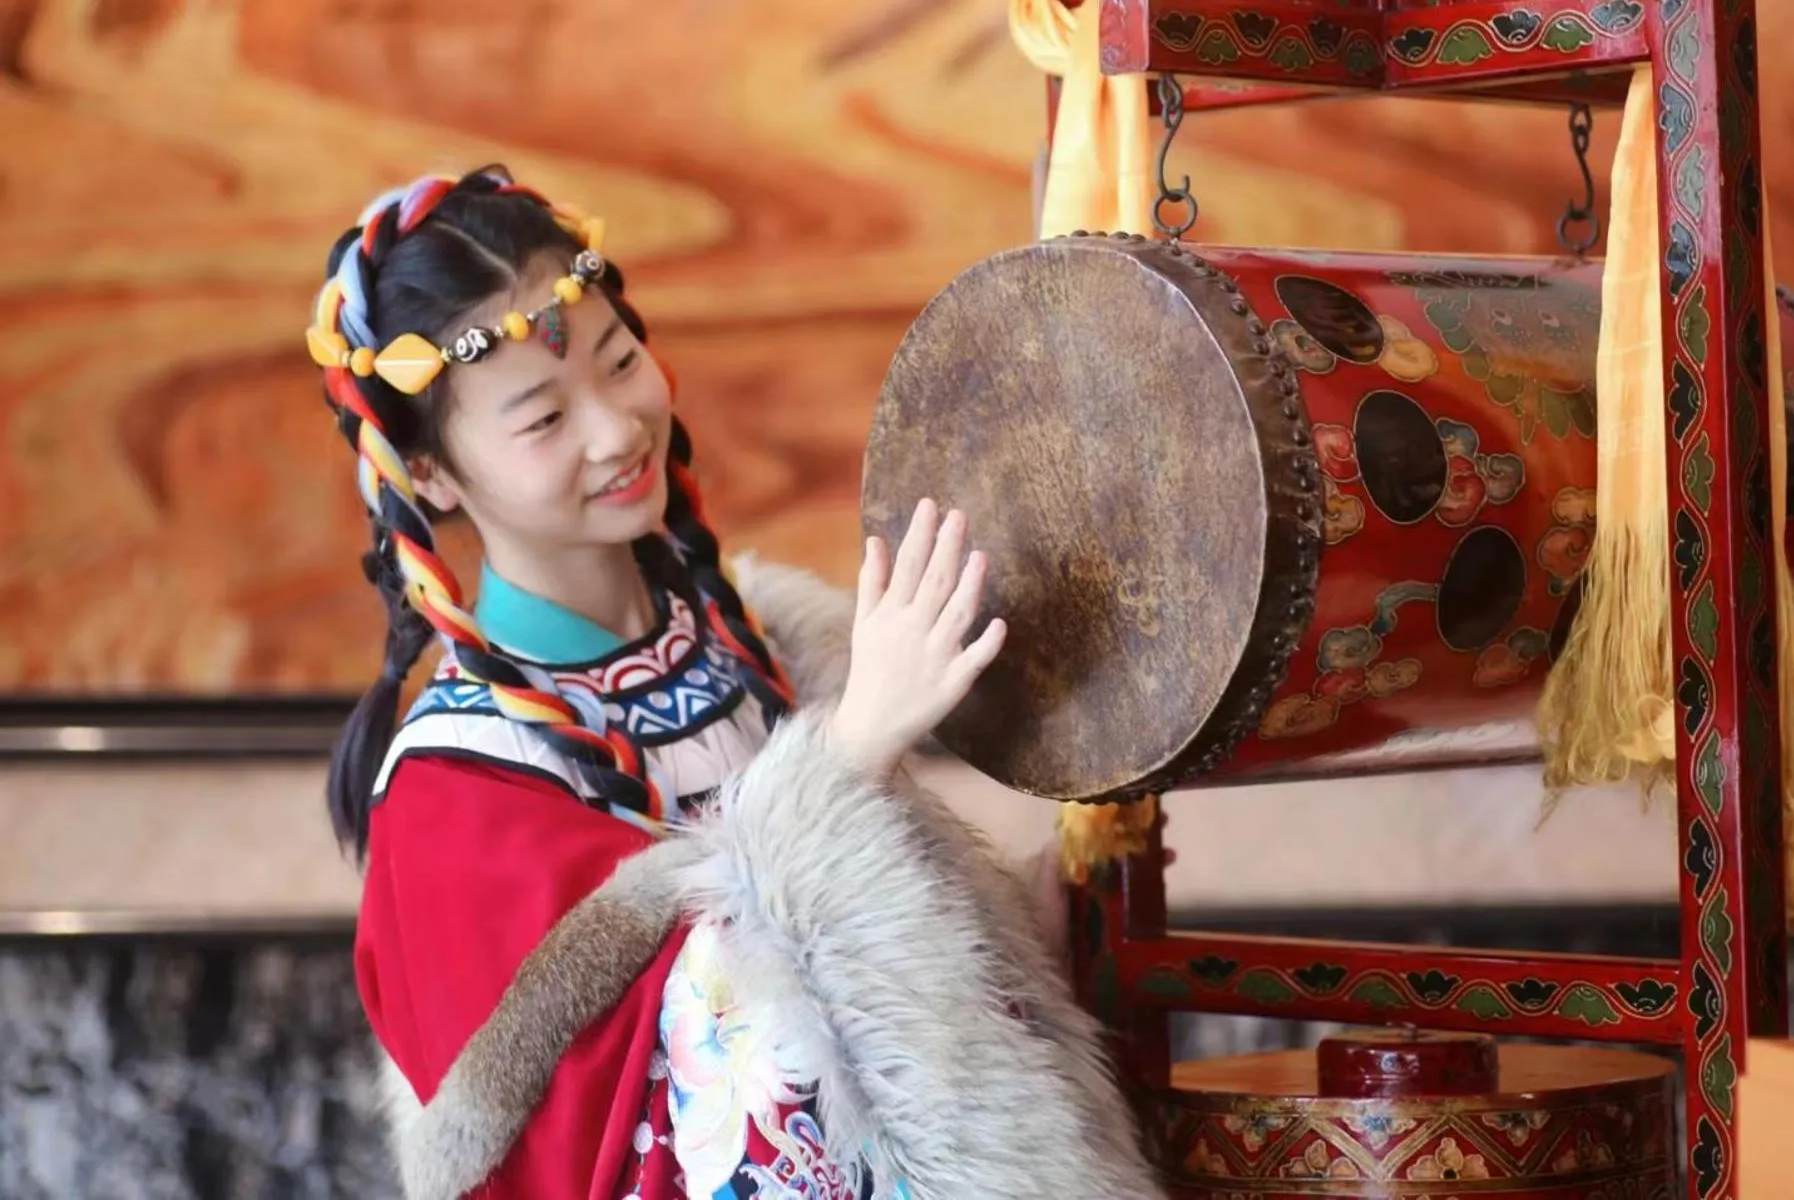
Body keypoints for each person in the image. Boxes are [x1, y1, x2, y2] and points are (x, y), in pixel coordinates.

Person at [306, 167, 1163, 1200]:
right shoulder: (455, 795)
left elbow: (913, 1008)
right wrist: (841, 762)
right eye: (541, 418)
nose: (615, 428)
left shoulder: (755, 641)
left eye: (619, 361)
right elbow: (656, 1125)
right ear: (433, 476)